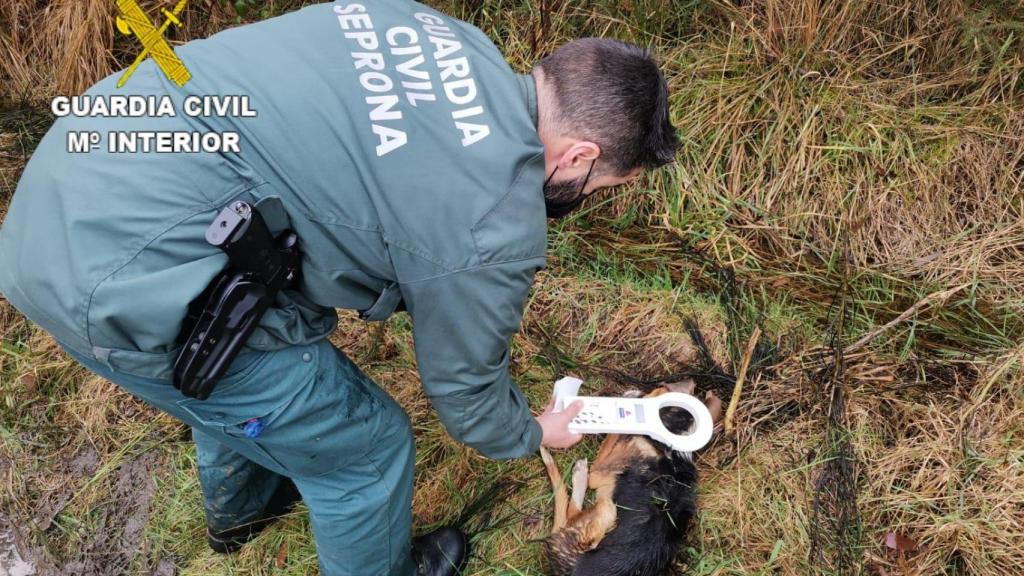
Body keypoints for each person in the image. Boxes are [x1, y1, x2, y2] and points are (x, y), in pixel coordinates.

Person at [0, 0, 678, 574]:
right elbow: (465, 393)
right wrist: (532, 432)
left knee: (241, 373)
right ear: (579, 156)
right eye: (600, 187)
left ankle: (240, 514)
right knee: (367, 447)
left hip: (84, 163)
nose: (584, 198)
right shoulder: (493, 220)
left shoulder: (436, 31)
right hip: (114, 271)